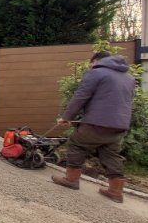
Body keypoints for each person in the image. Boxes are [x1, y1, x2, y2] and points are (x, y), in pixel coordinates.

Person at [52, 51, 136, 203]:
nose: (91, 66)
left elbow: (80, 97)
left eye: (91, 63)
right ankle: (115, 191)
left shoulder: (96, 73)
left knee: (77, 144)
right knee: (111, 155)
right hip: (119, 125)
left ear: (96, 60)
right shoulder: (129, 78)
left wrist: (66, 117)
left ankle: (71, 180)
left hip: (97, 123)